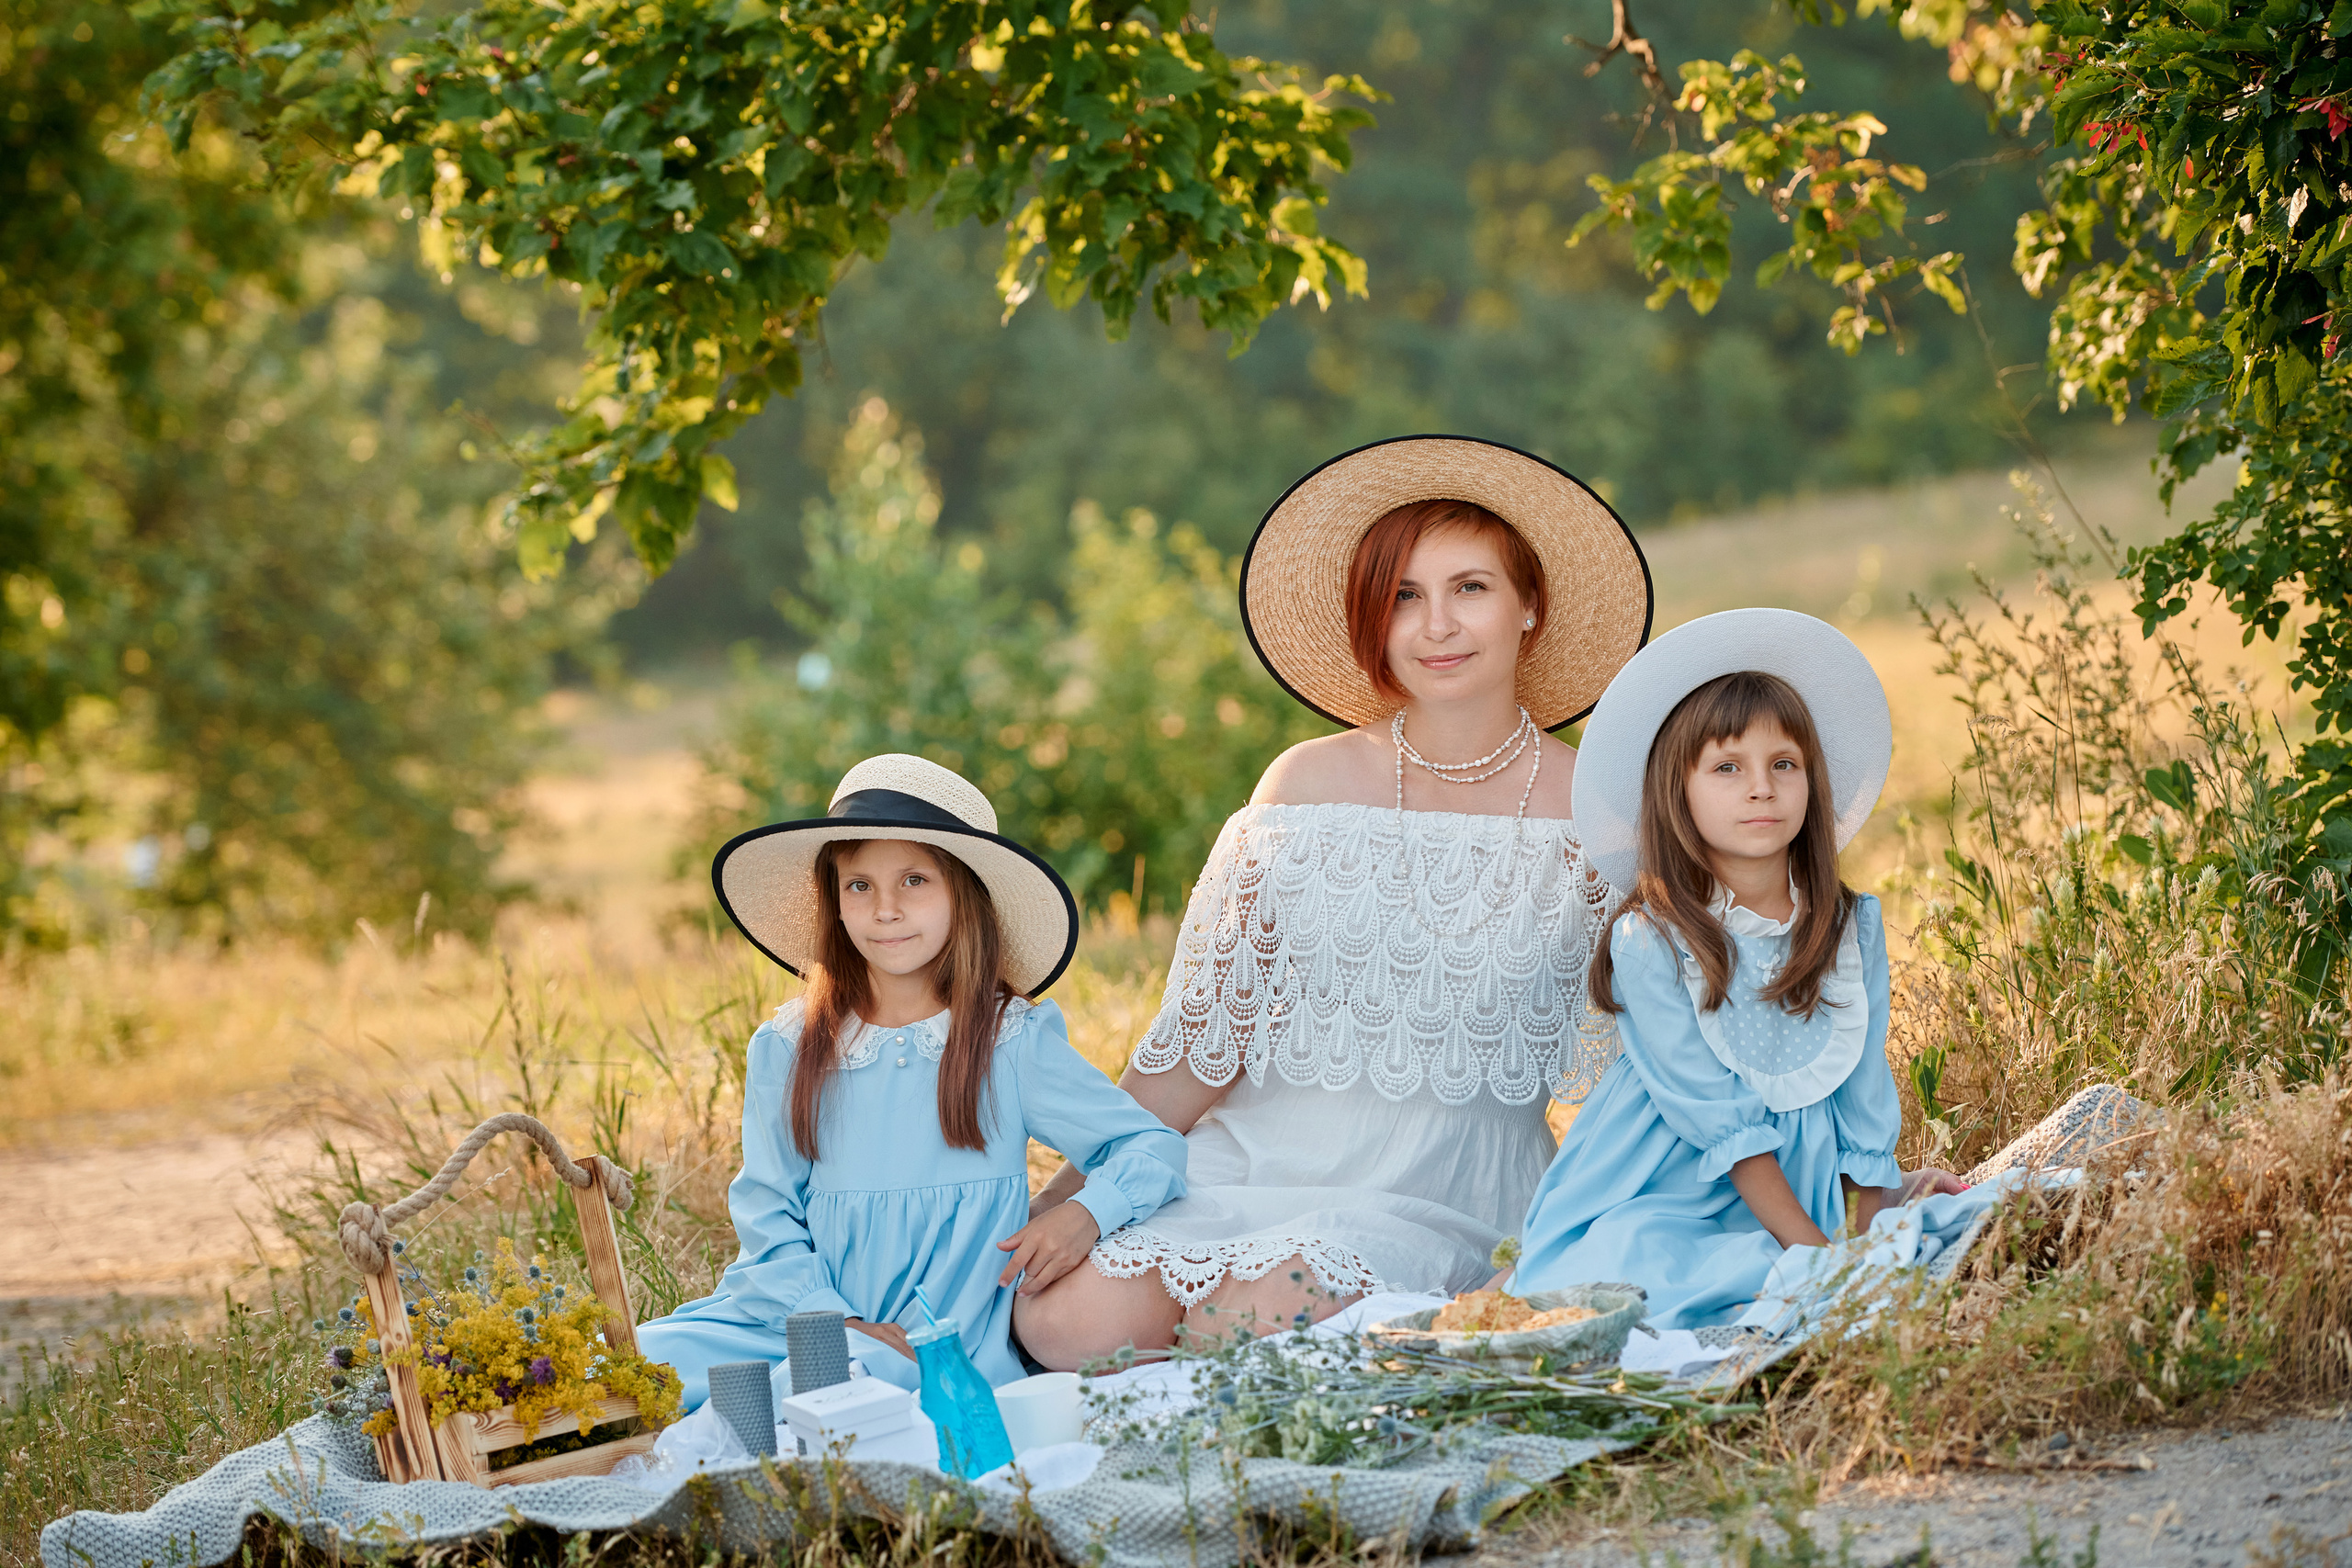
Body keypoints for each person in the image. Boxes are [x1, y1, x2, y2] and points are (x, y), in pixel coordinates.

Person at [1012, 436, 1657, 1370]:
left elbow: (1669, 1051)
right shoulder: (1303, 786)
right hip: (1250, 1160)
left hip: (1440, 1186)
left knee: (1254, 1322)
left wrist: (1842, 1191)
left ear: (1530, 606)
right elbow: (1200, 1047)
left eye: (1469, 588)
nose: (1436, 624)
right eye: (1403, 596)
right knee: (1061, 1321)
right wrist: (1067, 1203)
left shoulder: (1600, 810)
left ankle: (1241, 1386)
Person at [637, 754, 1188, 1406]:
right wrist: (836, 1323)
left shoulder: (1007, 1040)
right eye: (859, 885)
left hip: (929, 1340)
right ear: (834, 901)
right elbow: (767, 1216)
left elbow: (1152, 1147)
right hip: (805, 1321)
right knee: (633, 1362)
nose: (886, 909)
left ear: (964, 895)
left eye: (915, 880)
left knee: (845, 1392)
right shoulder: (788, 1047)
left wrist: (1083, 1214)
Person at [1510, 608, 1947, 1325]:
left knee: (1910, 1253)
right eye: (1726, 767)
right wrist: (1817, 1256)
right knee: (1642, 1263)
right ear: (1676, 793)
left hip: (1799, 1194)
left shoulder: (1848, 926)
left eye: (1784, 764)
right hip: (1666, 1185)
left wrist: (1866, 1241)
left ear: (1813, 780)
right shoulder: (1652, 938)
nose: (1761, 788)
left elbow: (1866, 1102)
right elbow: (1717, 1120)